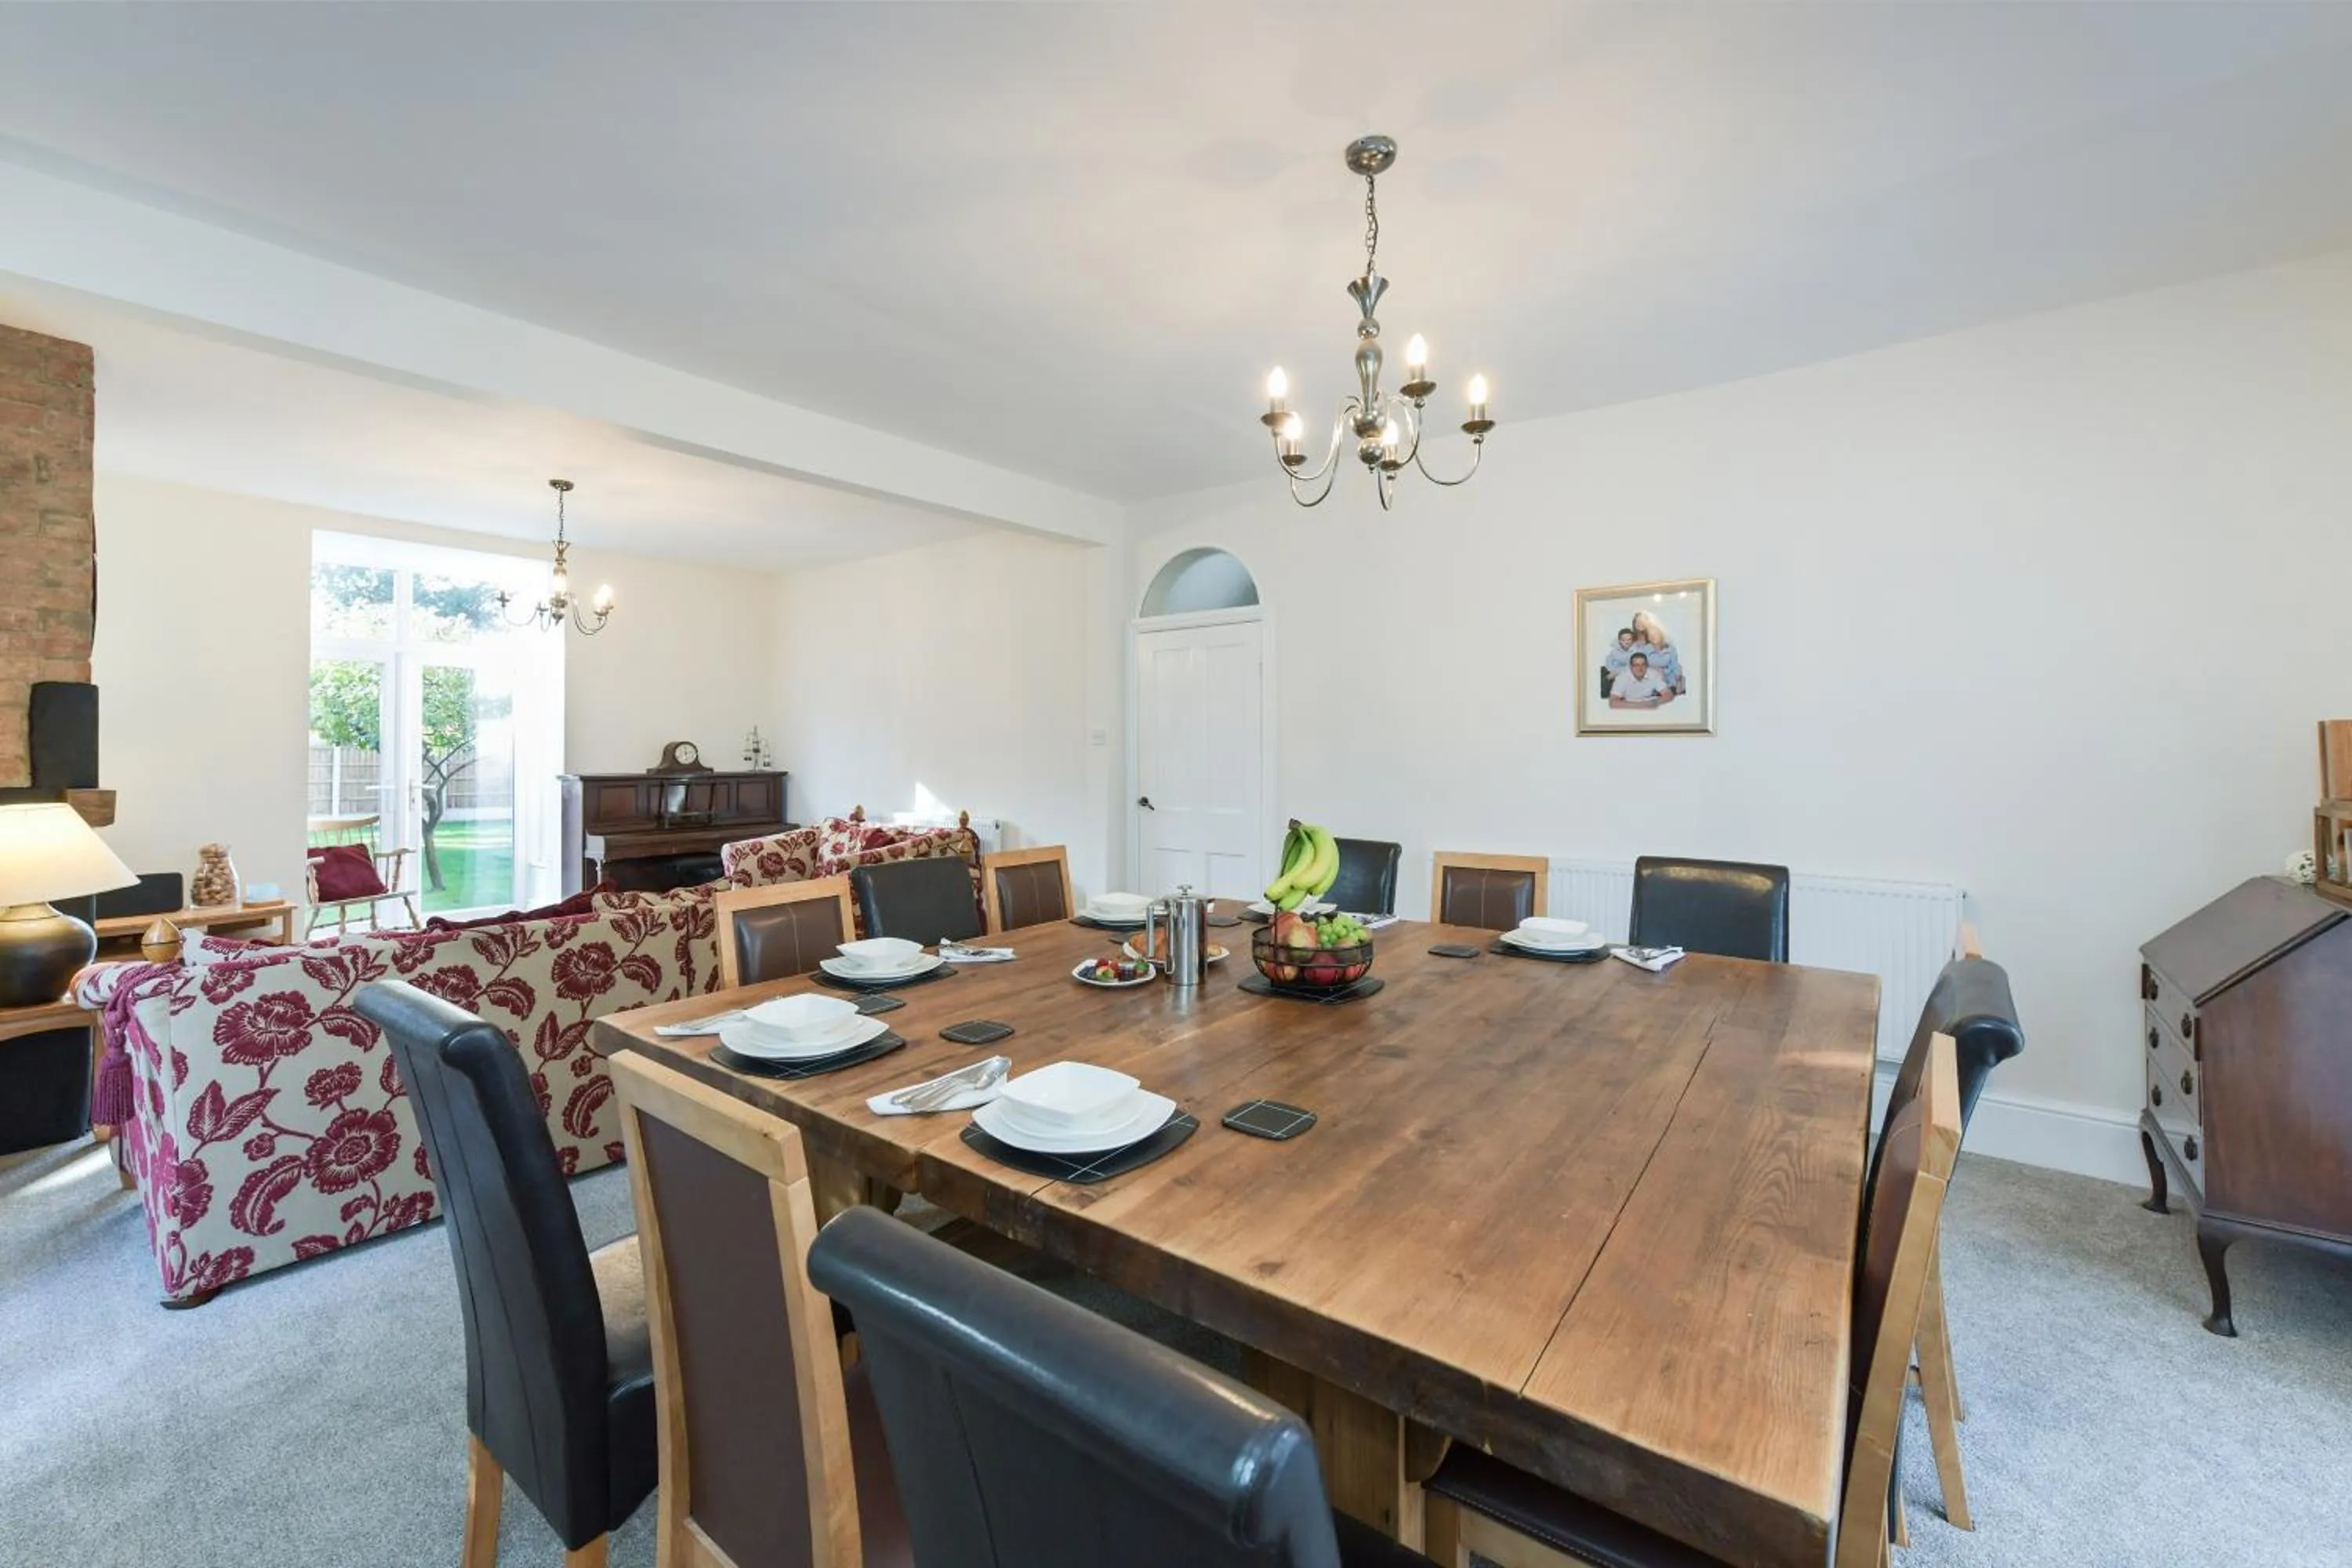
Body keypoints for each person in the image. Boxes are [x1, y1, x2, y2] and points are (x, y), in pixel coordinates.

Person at [1632, 610, 1685, 695]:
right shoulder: (1642, 648)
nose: (1640, 624)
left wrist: (1676, 679)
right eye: (1637, 622)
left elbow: (1675, 665)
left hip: (1667, 680)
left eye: (1642, 621)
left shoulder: (1669, 648)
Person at [1608, 652, 1675, 709]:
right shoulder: (1622, 677)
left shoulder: (1653, 674)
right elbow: (1613, 702)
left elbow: (1669, 694)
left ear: (1647, 666)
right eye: (1636, 665)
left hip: (1649, 705)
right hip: (1629, 706)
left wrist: (1654, 703)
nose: (1640, 668)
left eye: (1643, 665)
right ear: (1631, 667)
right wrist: (1641, 706)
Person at [1599, 626, 1638, 699]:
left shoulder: (1635, 651)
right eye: (1624, 640)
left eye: (1629, 639)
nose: (1626, 642)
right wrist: (1612, 671)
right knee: (1604, 674)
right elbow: (1609, 662)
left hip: (1627, 674)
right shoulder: (1614, 652)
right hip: (1613, 672)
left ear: (1632, 640)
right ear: (1620, 641)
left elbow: (1632, 666)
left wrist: (1618, 672)